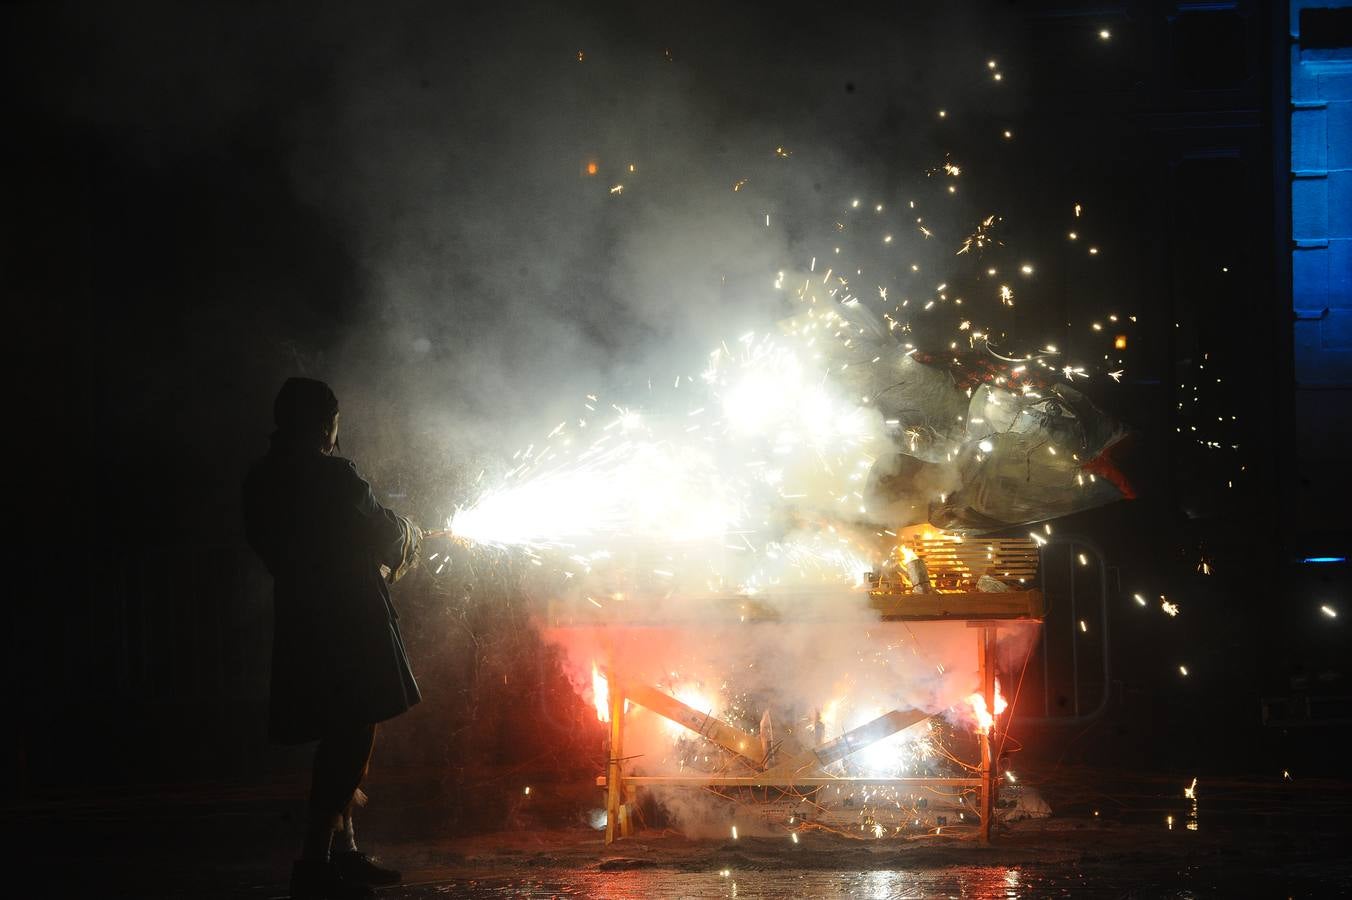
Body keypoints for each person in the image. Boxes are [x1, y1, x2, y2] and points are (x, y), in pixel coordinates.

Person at [243, 377, 422, 900]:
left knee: (339, 732)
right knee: (352, 733)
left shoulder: (261, 478)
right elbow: (382, 531)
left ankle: (343, 852)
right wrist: (407, 531)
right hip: (350, 622)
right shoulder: (333, 475)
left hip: (302, 620)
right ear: (326, 423)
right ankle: (315, 860)